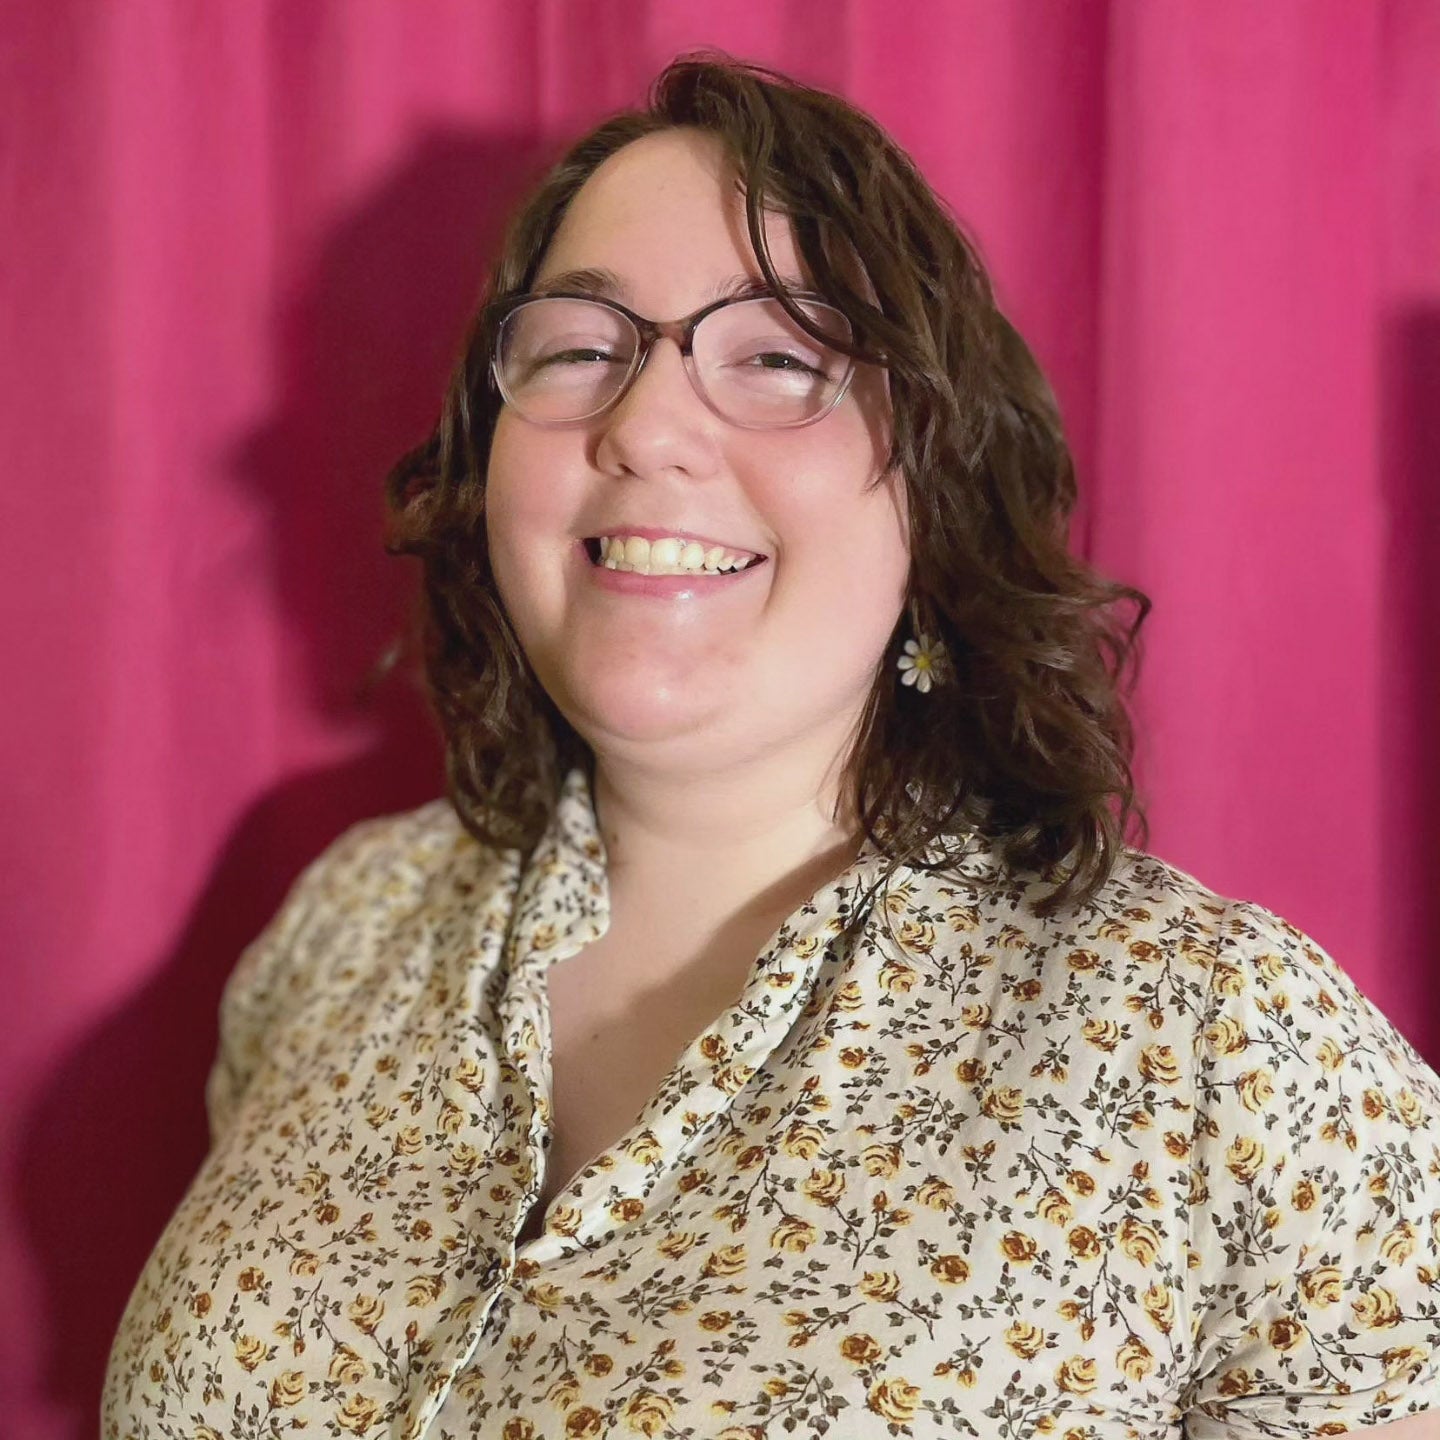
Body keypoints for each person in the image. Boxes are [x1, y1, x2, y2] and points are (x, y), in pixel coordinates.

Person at [102, 54, 1440, 1440]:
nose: (649, 426)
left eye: (781, 357)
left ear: (939, 490)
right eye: (580, 349)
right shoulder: (342, 928)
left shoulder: (1217, 1041)